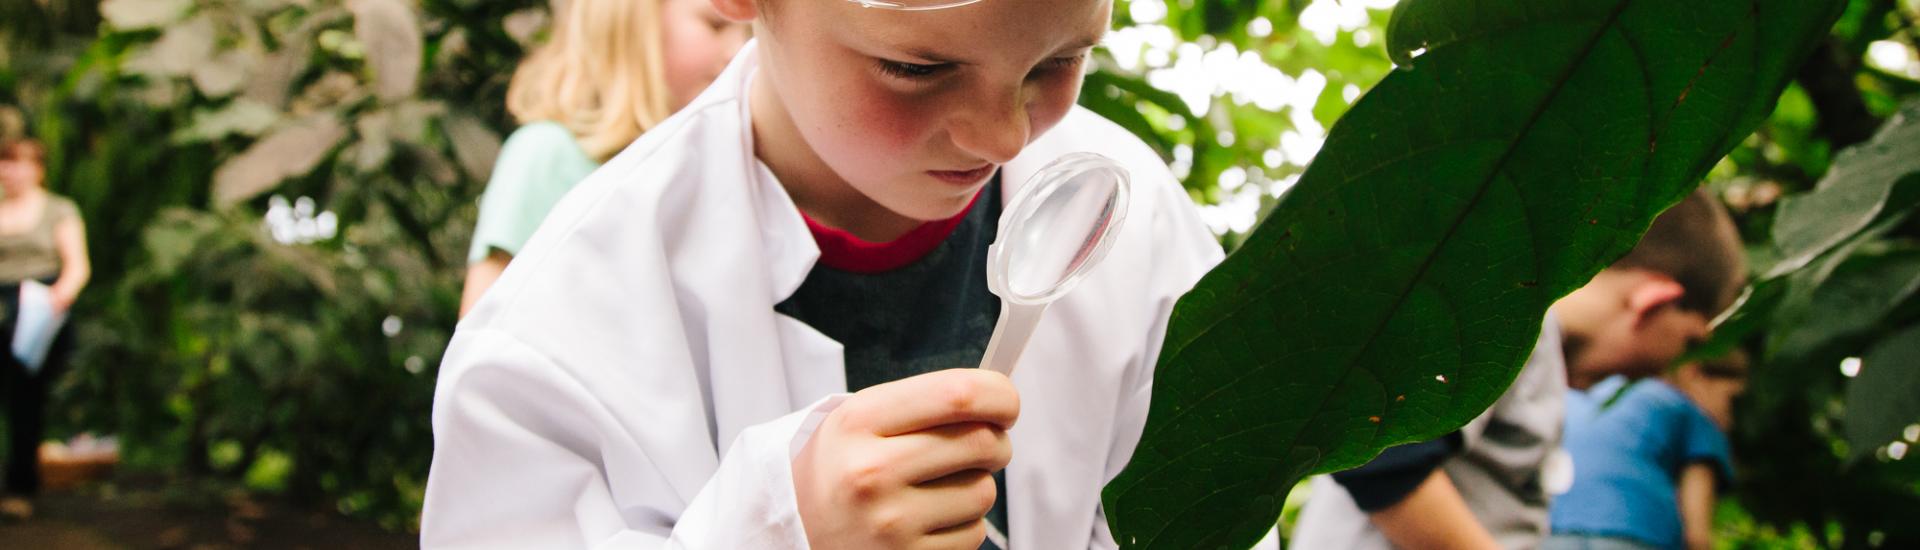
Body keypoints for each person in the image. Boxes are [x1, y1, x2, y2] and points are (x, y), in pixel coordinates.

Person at [419, 0, 1254, 547]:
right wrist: (780, 528)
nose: (1004, 138)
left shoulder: (1136, 222)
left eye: (1057, 62)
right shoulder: (553, 334)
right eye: (918, 69)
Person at [1292, 190, 1746, 550]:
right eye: (1688, 343)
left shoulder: (1535, 351)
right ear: (1653, 301)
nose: (1667, 371)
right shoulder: (1507, 328)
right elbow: (1381, 460)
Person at [459, 0, 748, 316]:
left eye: (747, 32)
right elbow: (484, 323)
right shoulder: (548, 155)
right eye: (715, 25)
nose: (739, 50)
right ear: (632, 24)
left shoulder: (718, 171)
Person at [1545, 352, 1747, 550]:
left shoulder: (1569, 394)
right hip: (1637, 534)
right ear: (1692, 373)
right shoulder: (1691, 415)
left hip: (1548, 531)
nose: (1731, 419)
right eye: (1733, 401)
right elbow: (1697, 533)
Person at [0, 137, 91, 519]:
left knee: (25, 399)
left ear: (37, 168)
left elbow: (77, 265)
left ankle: (20, 488)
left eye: (17, 163)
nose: (9, 171)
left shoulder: (58, 210)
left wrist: (57, 300)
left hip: (37, 310)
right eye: (4, 163)